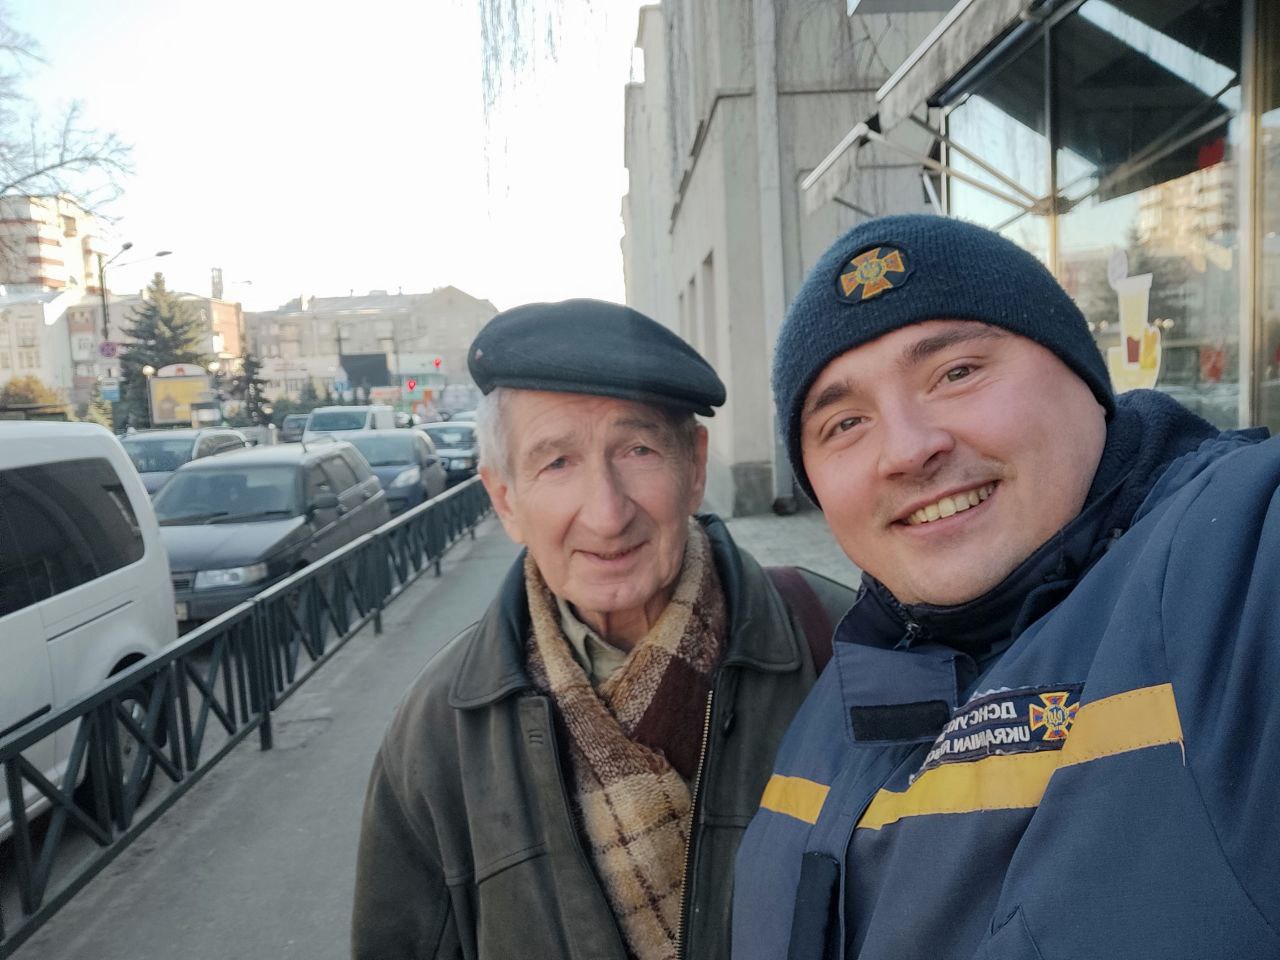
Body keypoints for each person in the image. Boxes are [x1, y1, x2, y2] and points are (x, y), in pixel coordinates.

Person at [731, 215, 1280, 959]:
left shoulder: (1232, 563)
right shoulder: (845, 686)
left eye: (957, 372)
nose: (907, 449)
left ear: (1084, 378)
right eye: (846, 423)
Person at [352, 299, 854, 960]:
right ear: (504, 498)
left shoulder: (843, 652)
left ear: (695, 467)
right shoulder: (440, 731)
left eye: (638, 450)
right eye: (557, 463)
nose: (608, 513)